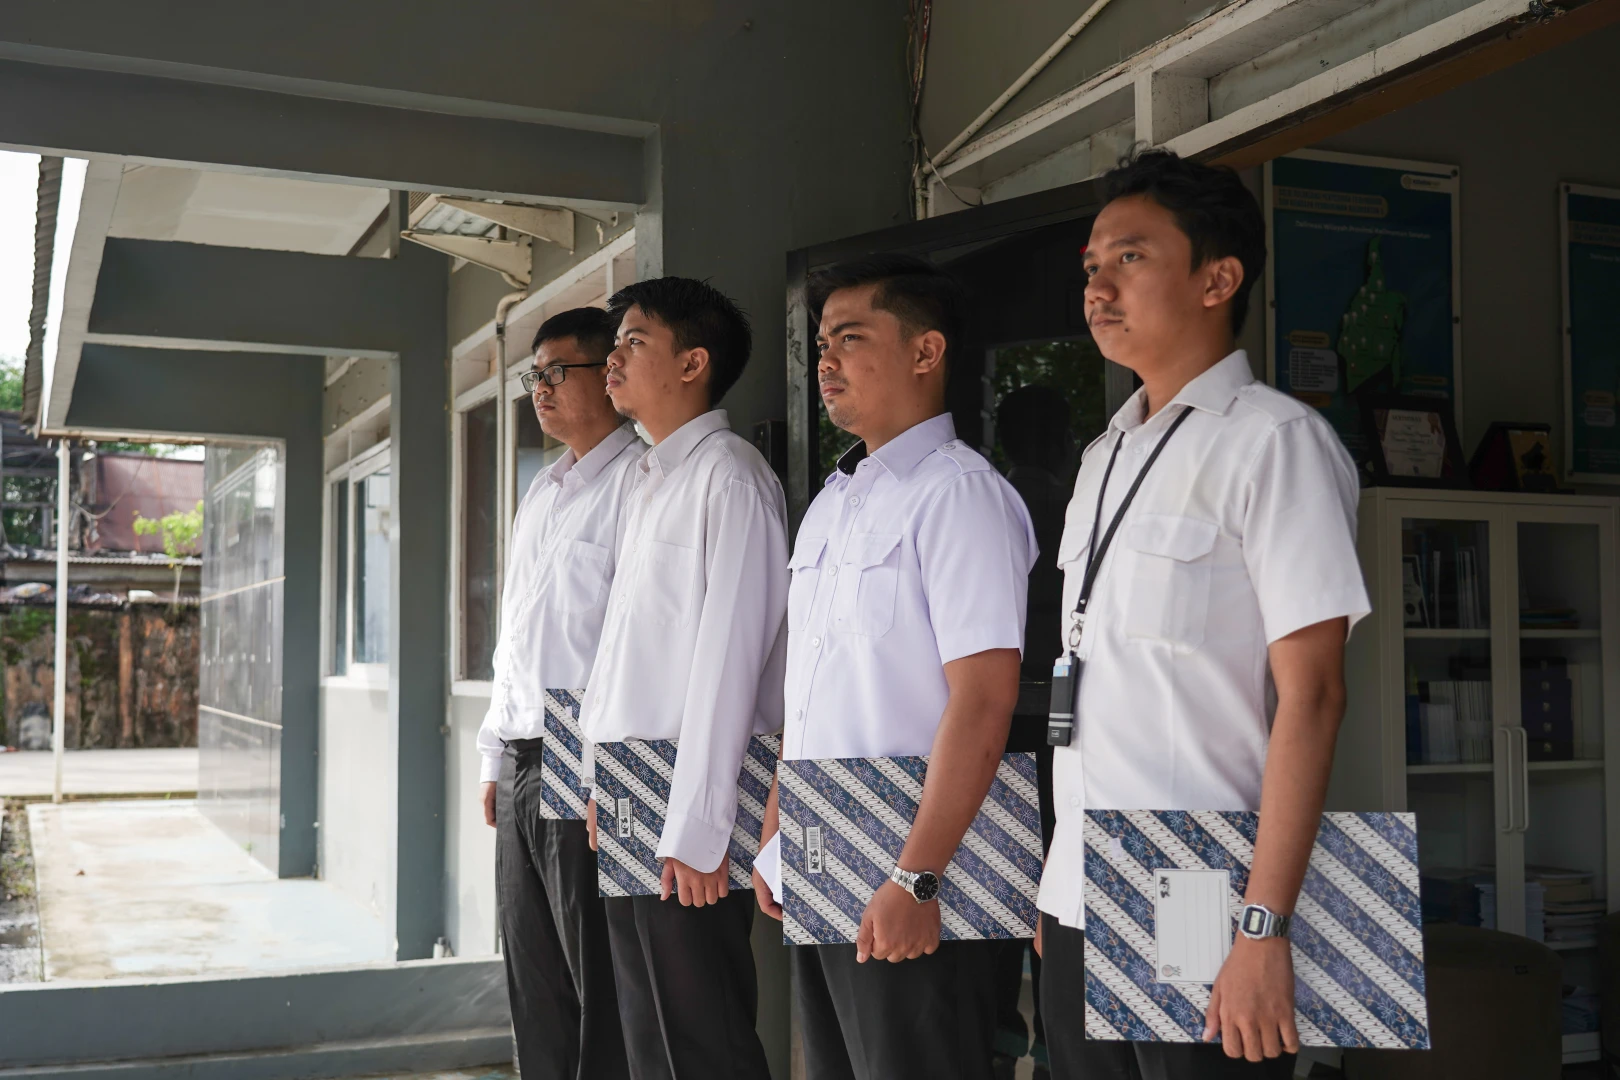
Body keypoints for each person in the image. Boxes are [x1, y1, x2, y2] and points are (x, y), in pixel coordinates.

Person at [1034, 148, 1370, 1079]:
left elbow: (1313, 697)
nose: (1099, 287)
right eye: (1092, 265)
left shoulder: (1276, 443)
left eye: (1130, 258)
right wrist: (1060, 883)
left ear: (1218, 280)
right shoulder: (1104, 455)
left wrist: (1263, 927)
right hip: (1081, 887)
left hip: (1199, 883)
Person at [753, 253, 1037, 1080]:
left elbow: (984, 699)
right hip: (825, 854)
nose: (825, 362)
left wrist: (917, 879)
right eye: (820, 345)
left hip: (918, 878)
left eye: (849, 338)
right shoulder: (833, 503)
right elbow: (812, 690)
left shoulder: (961, 495)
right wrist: (777, 827)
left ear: (925, 351)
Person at [579, 277, 785, 1080]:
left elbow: (730, 664)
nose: (613, 360)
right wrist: (600, 781)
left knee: (701, 1040)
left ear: (694, 363)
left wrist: (699, 830)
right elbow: (624, 652)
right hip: (633, 788)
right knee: (649, 1036)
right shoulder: (648, 480)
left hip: (689, 807)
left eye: (634, 342)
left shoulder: (729, 477)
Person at [475, 307, 643, 1080]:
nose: (540, 389)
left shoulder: (639, 483)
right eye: (532, 376)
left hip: (589, 759)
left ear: (609, 374)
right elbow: (515, 633)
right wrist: (492, 754)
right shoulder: (543, 490)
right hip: (521, 756)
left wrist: (612, 775)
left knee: (596, 979)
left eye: (556, 372)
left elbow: (633, 646)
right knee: (532, 974)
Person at [992, 384, 1075, 1080]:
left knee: (1002, 879)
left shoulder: (994, 499)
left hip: (999, 724)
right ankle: (1053, 1037)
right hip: (1054, 725)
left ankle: (999, 1031)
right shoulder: (1064, 504)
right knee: (1053, 875)